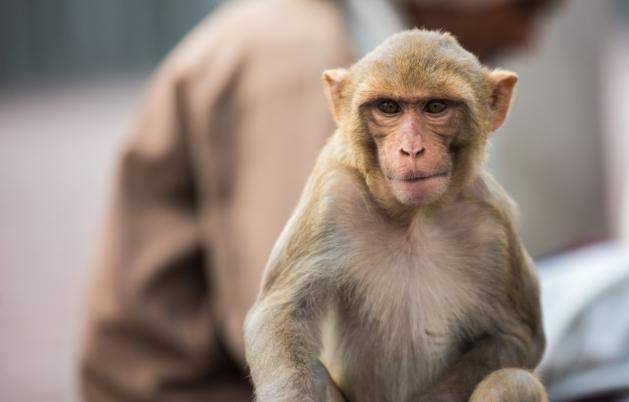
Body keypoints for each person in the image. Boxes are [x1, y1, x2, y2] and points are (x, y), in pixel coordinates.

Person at [79, 0, 558, 400]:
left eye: (436, 108)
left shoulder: (326, 26)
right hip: (188, 387)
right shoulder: (295, 49)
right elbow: (267, 308)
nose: (528, 35)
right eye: (525, 6)